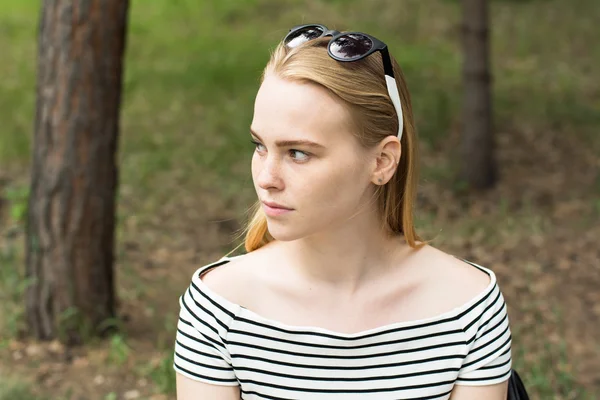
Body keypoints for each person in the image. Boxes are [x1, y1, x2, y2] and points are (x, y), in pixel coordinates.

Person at [173, 24, 512, 400]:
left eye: (298, 153)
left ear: (382, 162)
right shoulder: (220, 309)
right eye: (259, 145)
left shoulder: (468, 308)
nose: (266, 178)